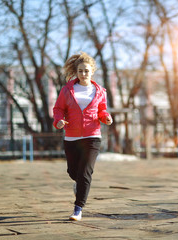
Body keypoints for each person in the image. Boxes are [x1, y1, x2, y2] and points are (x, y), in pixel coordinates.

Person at [53, 52, 113, 221]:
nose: (83, 74)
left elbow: (101, 109)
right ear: (76, 72)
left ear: (92, 71)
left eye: (86, 71)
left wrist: (106, 117)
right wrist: (58, 121)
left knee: (85, 173)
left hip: (92, 136)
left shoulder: (100, 91)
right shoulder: (67, 90)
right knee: (73, 172)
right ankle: (78, 185)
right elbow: (58, 109)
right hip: (71, 137)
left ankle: (78, 209)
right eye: (80, 71)